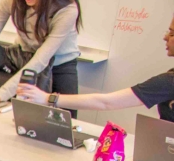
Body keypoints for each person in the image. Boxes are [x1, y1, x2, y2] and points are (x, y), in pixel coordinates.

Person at [18, 13, 174, 121]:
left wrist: (47, 98)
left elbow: (106, 102)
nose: (165, 37)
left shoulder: (169, 82)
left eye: (172, 33)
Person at [0, 0, 82, 107]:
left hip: (60, 66)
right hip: (25, 59)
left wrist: (0, 95)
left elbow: (40, 60)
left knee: (65, 121)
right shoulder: (12, 2)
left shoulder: (67, 9)